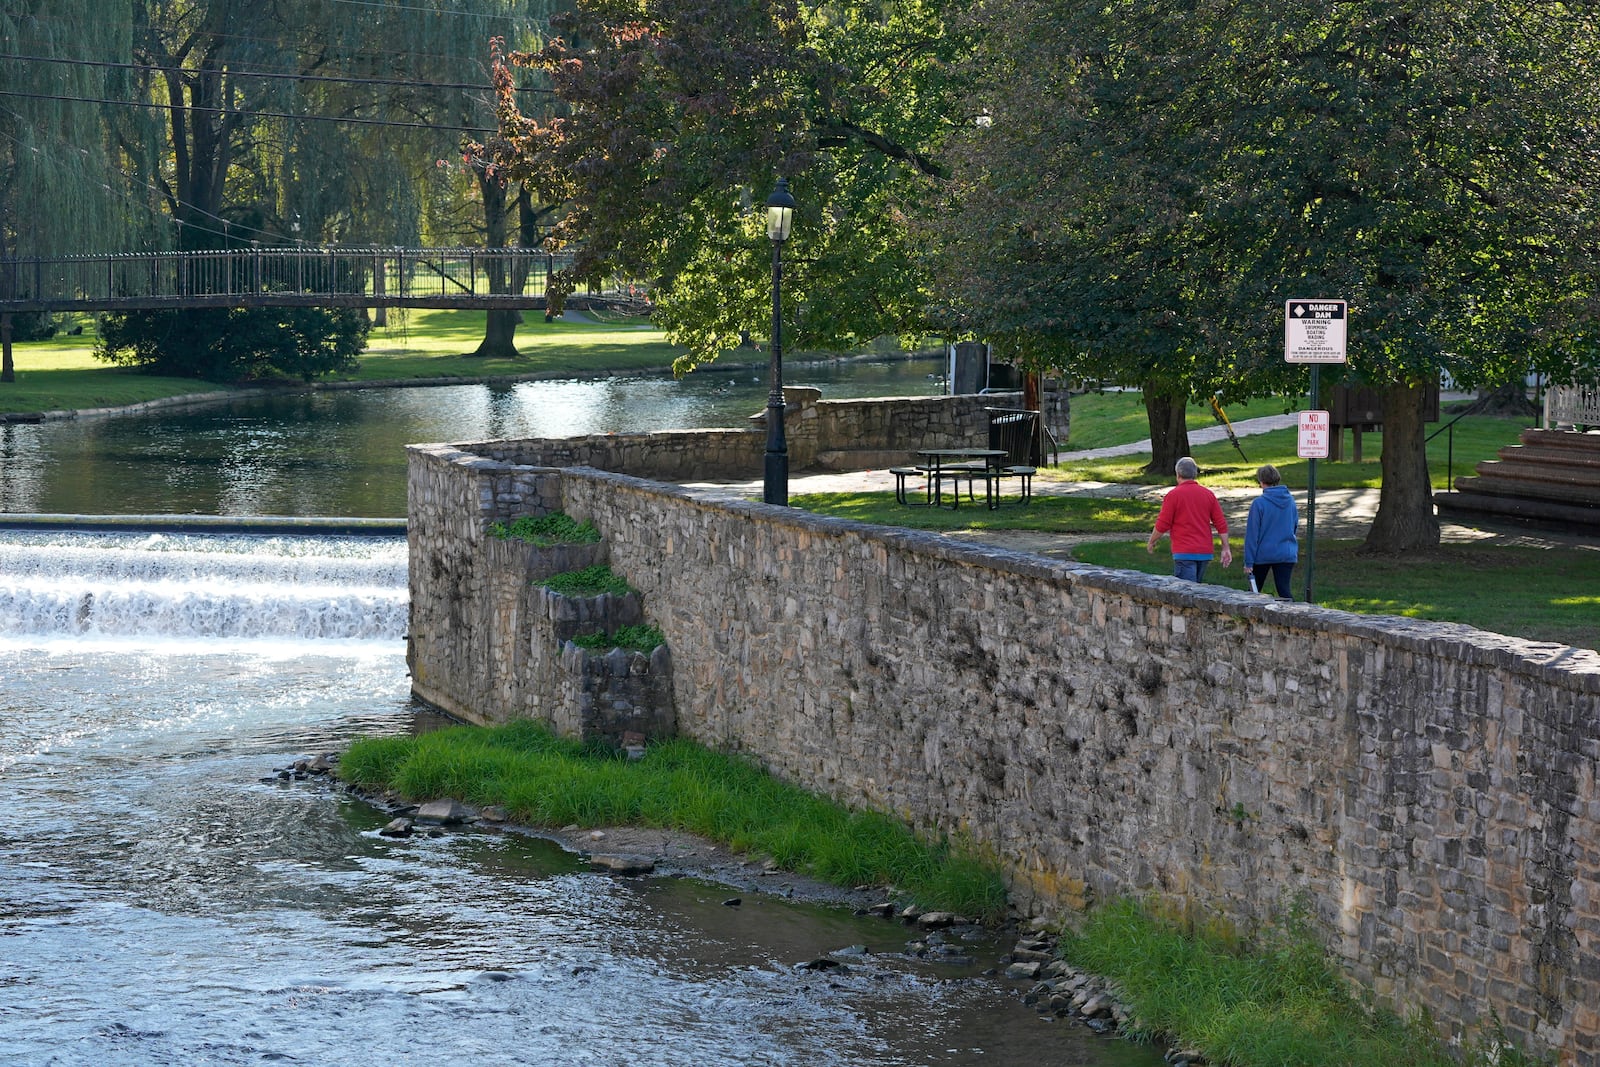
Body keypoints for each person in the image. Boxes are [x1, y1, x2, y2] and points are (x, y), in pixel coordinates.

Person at [1147, 456, 1231, 583]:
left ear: (1178, 474)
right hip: (1204, 551)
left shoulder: (1173, 495)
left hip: (1184, 551)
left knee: (1187, 592)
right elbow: (1220, 523)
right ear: (1195, 474)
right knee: (1196, 588)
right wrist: (1226, 548)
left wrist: (1152, 540)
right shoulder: (1208, 495)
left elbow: (1163, 523)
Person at [1242, 463, 1299, 598]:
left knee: (1254, 592)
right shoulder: (1290, 501)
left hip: (1263, 554)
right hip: (1286, 551)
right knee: (1284, 591)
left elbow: (1252, 534)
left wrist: (1249, 561)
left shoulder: (1259, 503)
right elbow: (1294, 525)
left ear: (1261, 482)